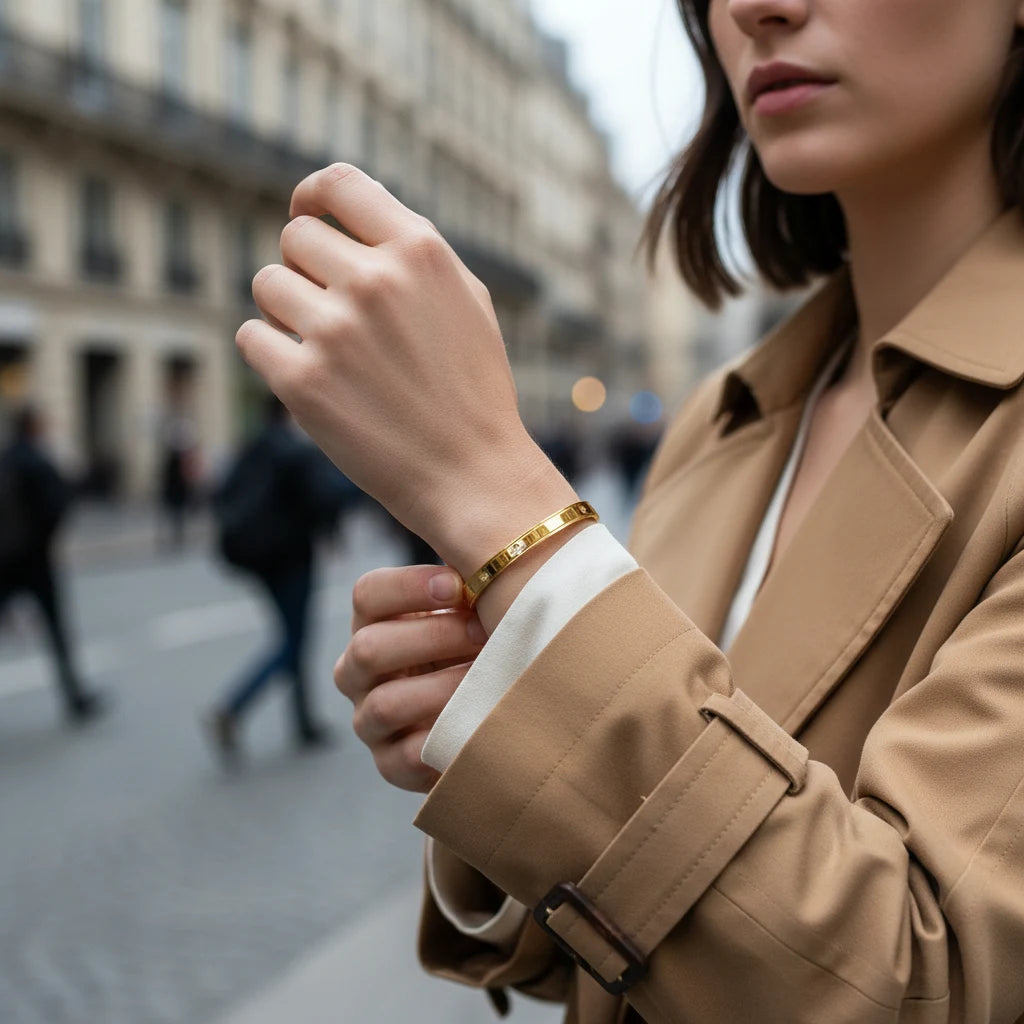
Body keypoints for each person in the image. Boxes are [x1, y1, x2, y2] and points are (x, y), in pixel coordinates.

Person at [234, 0, 1024, 1019]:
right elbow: (661, 933)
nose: (755, 8)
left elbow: (916, 981)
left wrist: (491, 487)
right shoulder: (725, 416)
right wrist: (515, 725)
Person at [203, 394, 340, 763]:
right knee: (294, 642)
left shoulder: (250, 449)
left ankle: (303, 723)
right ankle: (233, 707)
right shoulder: (296, 452)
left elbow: (220, 495)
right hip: (294, 559)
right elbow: (325, 498)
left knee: (290, 636)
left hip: (260, 561)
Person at [0, 405, 107, 723]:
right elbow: (59, 504)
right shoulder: (38, 461)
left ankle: (76, 696)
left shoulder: (6, 458)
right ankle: (75, 697)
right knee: (58, 631)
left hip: (3, 559)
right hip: (34, 561)